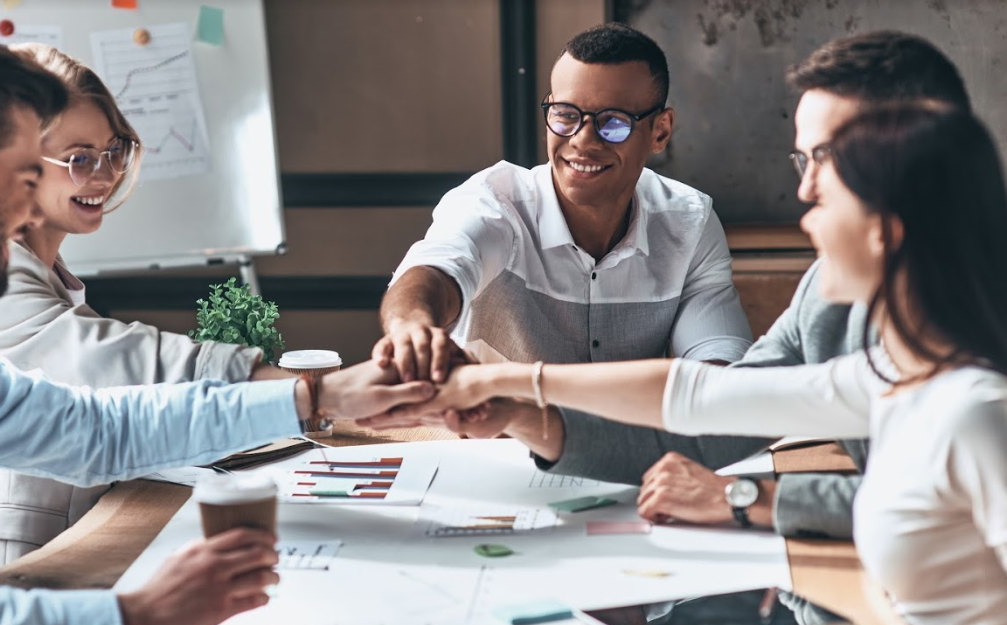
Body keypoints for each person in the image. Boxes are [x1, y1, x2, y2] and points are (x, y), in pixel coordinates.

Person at [0, 29, 432, 625]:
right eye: (25, 180)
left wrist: (318, 400)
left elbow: (94, 429)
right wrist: (137, 617)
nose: (30, 214)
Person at [392, 104, 1007, 625]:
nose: (804, 216)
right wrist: (511, 392)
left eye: (825, 196)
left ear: (885, 234)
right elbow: (699, 394)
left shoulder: (971, 413)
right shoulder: (880, 378)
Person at [371, 31, 972, 542]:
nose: (805, 191)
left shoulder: (972, 384)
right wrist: (521, 412)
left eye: (825, 159)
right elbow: (714, 407)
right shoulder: (824, 294)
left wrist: (747, 499)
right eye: (801, 161)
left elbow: (938, 498)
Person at [0, 43, 295, 581]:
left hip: (63, 539)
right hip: (13, 563)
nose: (103, 174)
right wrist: (304, 392)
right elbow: (119, 365)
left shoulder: (45, 265)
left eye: (113, 149)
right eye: (79, 158)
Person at [375, 22, 754, 384]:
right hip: (490, 445)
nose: (583, 140)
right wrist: (411, 327)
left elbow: (717, 356)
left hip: (634, 449)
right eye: (566, 115)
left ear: (660, 131)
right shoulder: (494, 204)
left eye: (614, 122)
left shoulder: (689, 222)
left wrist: (714, 397)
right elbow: (434, 269)